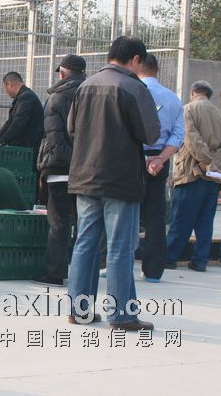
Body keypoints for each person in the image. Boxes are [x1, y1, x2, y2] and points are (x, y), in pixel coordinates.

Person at [67, 36, 160, 331]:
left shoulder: (85, 86)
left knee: (85, 243)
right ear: (135, 60)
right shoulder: (134, 87)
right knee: (120, 247)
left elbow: (71, 129)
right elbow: (151, 134)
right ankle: (121, 315)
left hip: (85, 175)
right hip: (120, 179)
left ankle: (79, 311)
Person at [34, 54, 86, 287]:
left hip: (59, 169)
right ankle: (84, 272)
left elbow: (54, 137)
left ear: (62, 73)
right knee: (85, 223)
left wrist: (69, 162)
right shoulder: (91, 95)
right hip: (86, 170)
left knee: (58, 222)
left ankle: (55, 273)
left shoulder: (56, 98)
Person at [165, 80, 221, 272]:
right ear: (209, 94)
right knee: (205, 222)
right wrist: (214, 164)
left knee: (181, 218)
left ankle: (170, 257)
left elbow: (190, 138)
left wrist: (205, 160)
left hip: (191, 172)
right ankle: (200, 261)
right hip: (214, 176)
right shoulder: (220, 114)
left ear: (192, 92)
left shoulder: (188, 109)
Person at [135, 54, 184, 282]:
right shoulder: (172, 98)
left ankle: (116, 263)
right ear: (157, 70)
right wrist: (160, 159)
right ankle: (153, 271)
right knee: (155, 215)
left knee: (124, 211)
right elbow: (178, 135)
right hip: (159, 158)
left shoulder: (131, 92)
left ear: (136, 66)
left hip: (131, 157)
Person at [0, 71, 44, 150]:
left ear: (10, 85)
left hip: (28, 147)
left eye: (5, 89)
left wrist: (2, 141)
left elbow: (18, 123)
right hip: (26, 146)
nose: (6, 92)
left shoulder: (26, 97)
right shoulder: (24, 97)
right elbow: (9, 123)